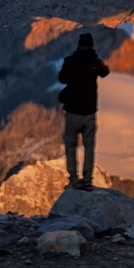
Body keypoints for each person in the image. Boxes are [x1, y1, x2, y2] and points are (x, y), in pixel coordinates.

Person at [57, 32, 110, 190]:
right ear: (92, 45)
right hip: (89, 112)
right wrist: (98, 61)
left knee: (71, 146)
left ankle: (73, 179)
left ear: (79, 44)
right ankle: (87, 180)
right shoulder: (95, 62)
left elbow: (62, 79)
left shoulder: (70, 61)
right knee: (89, 147)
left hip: (73, 111)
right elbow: (105, 72)